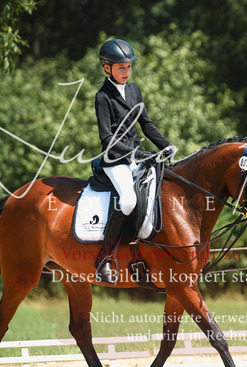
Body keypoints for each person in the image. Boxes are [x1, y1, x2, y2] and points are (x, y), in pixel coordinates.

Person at [94, 38, 174, 284]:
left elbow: (146, 124)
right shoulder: (102, 97)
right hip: (115, 160)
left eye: (129, 66)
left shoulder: (134, 90)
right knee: (128, 201)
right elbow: (107, 138)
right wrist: (134, 154)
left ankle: (143, 254)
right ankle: (104, 258)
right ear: (107, 68)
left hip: (137, 156)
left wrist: (165, 145)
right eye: (121, 67)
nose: (126, 71)